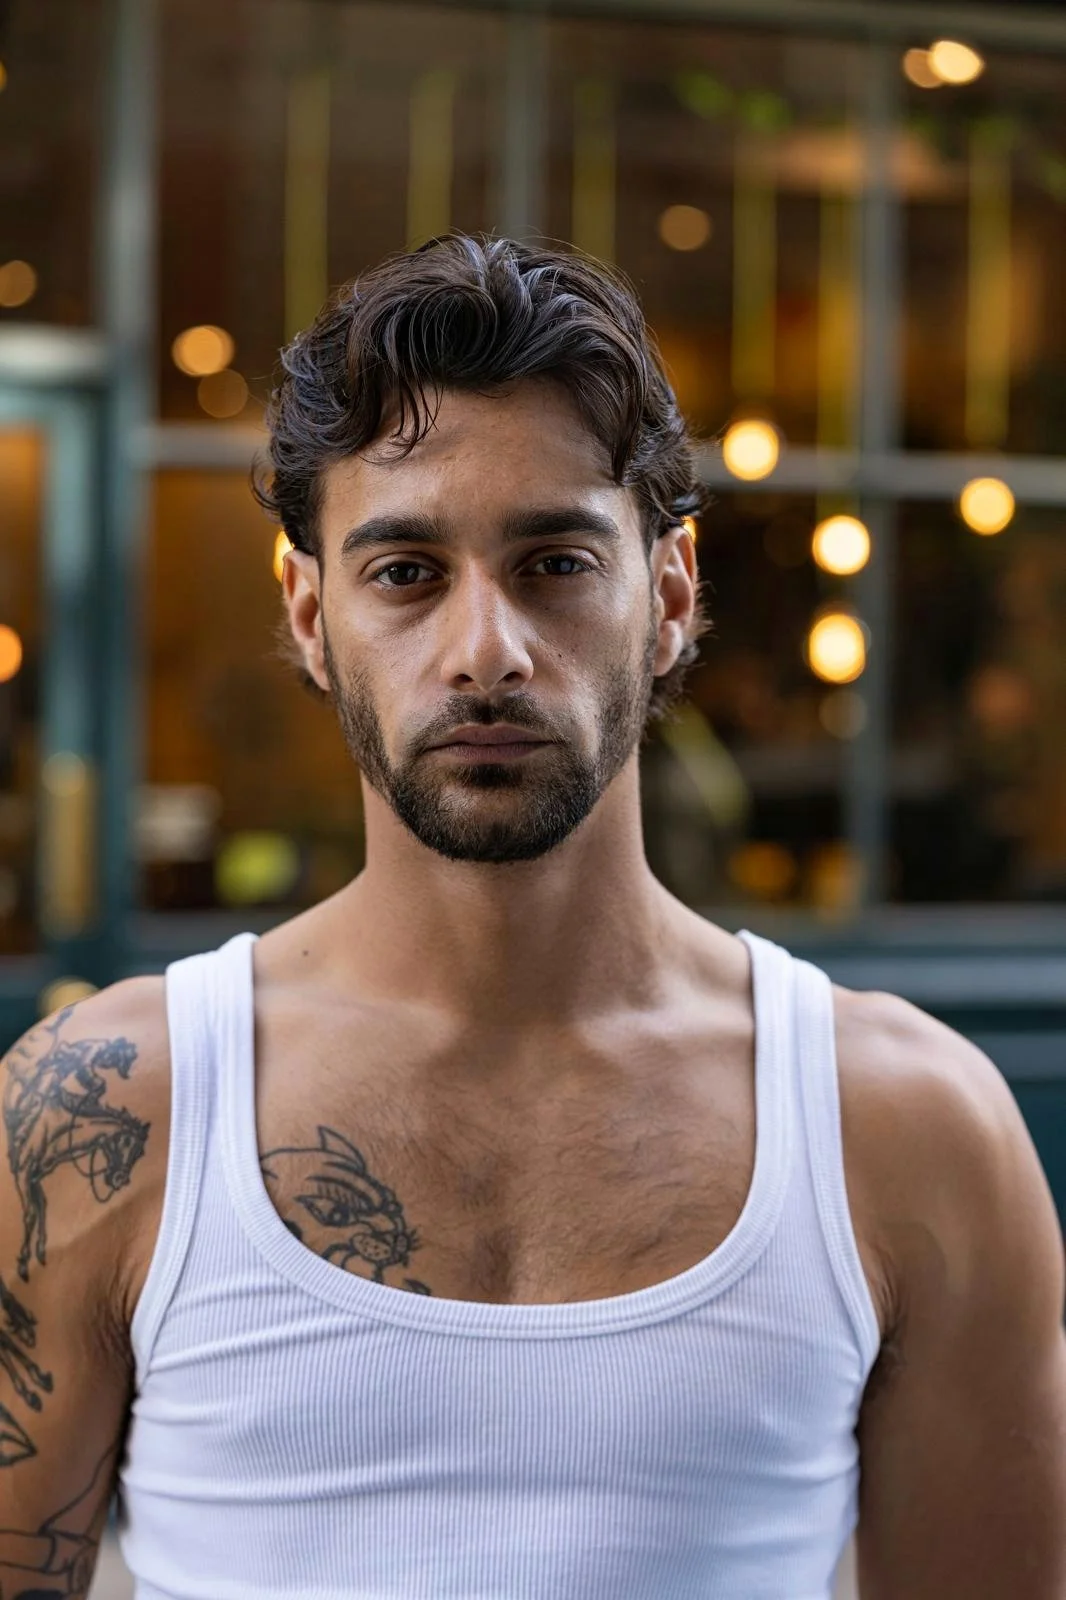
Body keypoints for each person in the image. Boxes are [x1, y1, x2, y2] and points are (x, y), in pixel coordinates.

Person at [2, 234, 1064, 1600]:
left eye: (555, 562)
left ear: (667, 596)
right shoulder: (108, 1113)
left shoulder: (908, 1125)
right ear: (310, 614)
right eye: (404, 573)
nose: (484, 649)